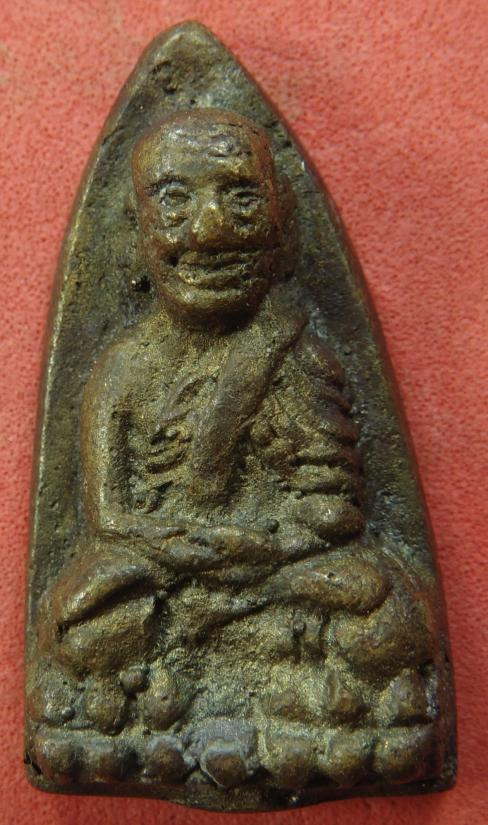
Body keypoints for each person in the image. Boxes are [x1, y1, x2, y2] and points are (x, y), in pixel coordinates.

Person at [29, 110, 440, 789]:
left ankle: (168, 705)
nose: (210, 228)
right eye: (174, 202)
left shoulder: (292, 352)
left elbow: (335, 510)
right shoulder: (123, 368)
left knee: (386, 610)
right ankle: (303, 704)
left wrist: (269, 550)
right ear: (136, 235)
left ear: (282, 231)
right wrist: (199, 550)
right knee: (78, 619)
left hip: (280, 572)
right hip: (166, 573)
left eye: (242, 199)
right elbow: (110, 518)